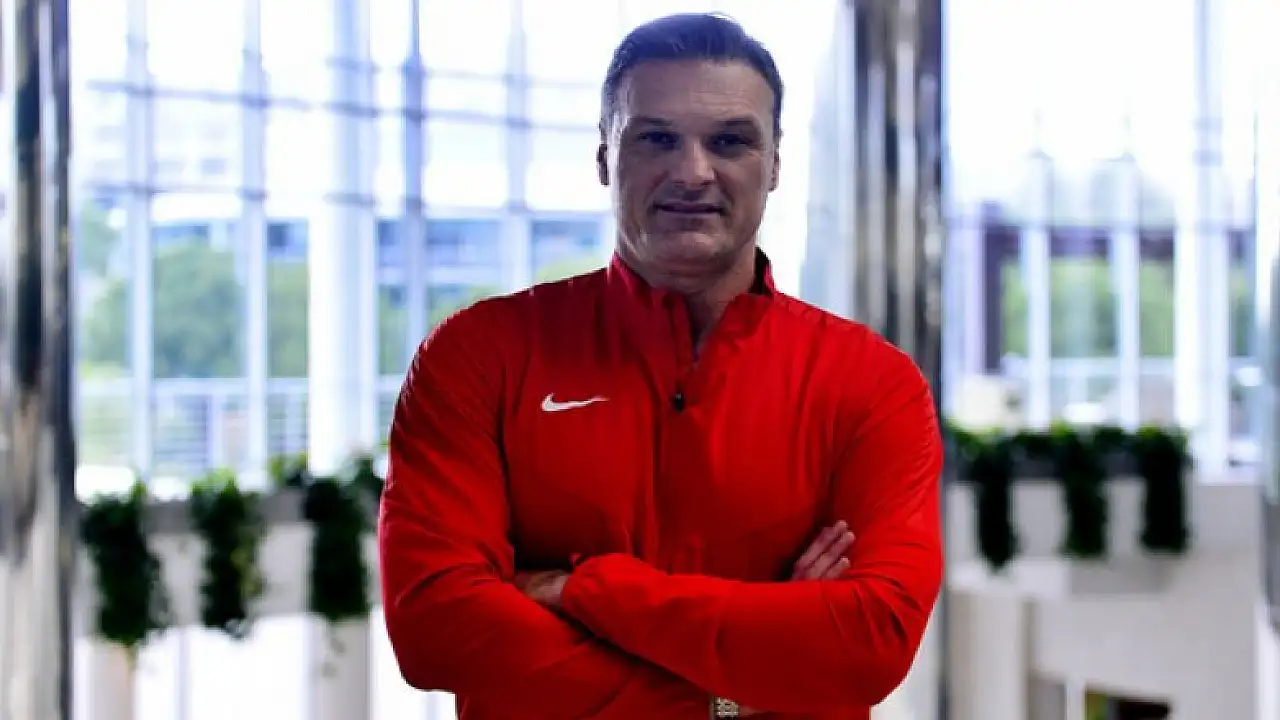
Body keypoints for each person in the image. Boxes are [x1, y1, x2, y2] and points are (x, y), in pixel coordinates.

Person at [378, 12, 943, 720]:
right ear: (605, 157)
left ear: (774, 164)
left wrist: (582, 590)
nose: (693, 172)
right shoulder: (479, 355)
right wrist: (738, 692)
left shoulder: (872, 383)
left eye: (729, 141)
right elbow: (434, 627)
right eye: (656, 138)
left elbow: (871, 641)